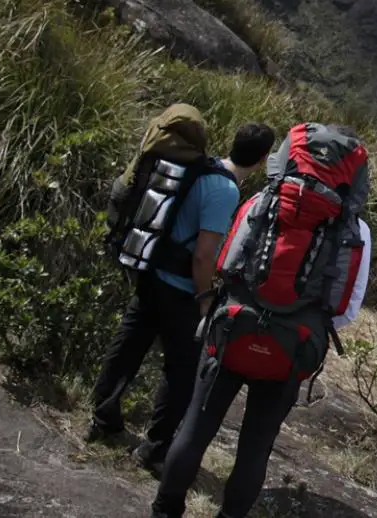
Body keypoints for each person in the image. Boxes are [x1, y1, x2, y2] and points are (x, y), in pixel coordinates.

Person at [150, 123, 373, 518]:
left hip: (233, 327)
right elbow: (344, 309)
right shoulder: (356, 232)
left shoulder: (262, 202)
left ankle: (165, 510)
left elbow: (225, 261)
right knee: (255, 446)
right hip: (291, 350)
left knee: (196, 429)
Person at [86, 122, 277, 475]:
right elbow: (204, 256)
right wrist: (205, 299)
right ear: (264, 158)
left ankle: (102, 417)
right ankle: (155, 449)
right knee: (182, 372)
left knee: (128, 346)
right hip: (181, 290)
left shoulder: (201, 168)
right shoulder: (224, 190)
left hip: (152, 272)